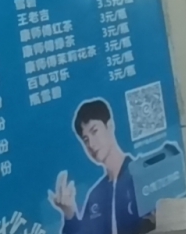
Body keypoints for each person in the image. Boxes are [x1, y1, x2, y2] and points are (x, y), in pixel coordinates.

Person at [49, 99, 147, 234]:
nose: (91, 144)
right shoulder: (96, 195)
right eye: (85, 139)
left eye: (94, 131)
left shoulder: (140, 175)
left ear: (110, 126)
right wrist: (69, 212)